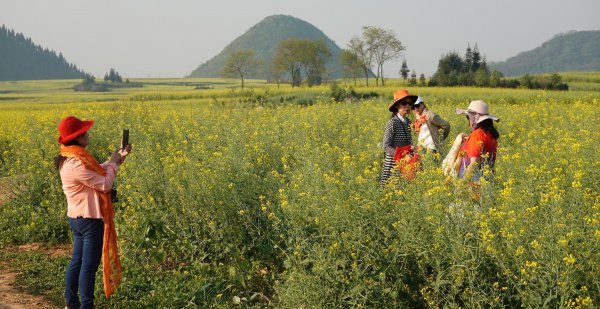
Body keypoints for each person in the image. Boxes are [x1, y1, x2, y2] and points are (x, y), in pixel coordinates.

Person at [55, 116, 131, 309]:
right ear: (78, 138)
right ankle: (86, 306)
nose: (88, 134)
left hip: (77, 218)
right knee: (88, 267)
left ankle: (71, 303)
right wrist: (113, 165)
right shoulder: (77, 164)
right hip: (89, 221)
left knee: (77, 262)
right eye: (85, 132)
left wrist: (115, 160)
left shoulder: (72, 159)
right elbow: (104, 184)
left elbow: (95, 173)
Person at [455, 100, 500, 181]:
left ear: (475, 119)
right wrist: (469, 142)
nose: (468, 121)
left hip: (474, 183)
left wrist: (461, 185)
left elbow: (474, 163)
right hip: (488, 180)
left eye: (468, 117)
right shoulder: (490, 134)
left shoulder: (477, 135)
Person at [380, 89, 416, 185]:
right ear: (397, 106)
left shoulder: (407, 122)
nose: (408, 106)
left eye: (410, 103)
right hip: (392, 165)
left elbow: (407, 143)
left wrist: (412, 148)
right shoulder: (392, 123)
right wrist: (402, 155)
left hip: (406, 164)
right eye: (404, 103)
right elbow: (385, 146)